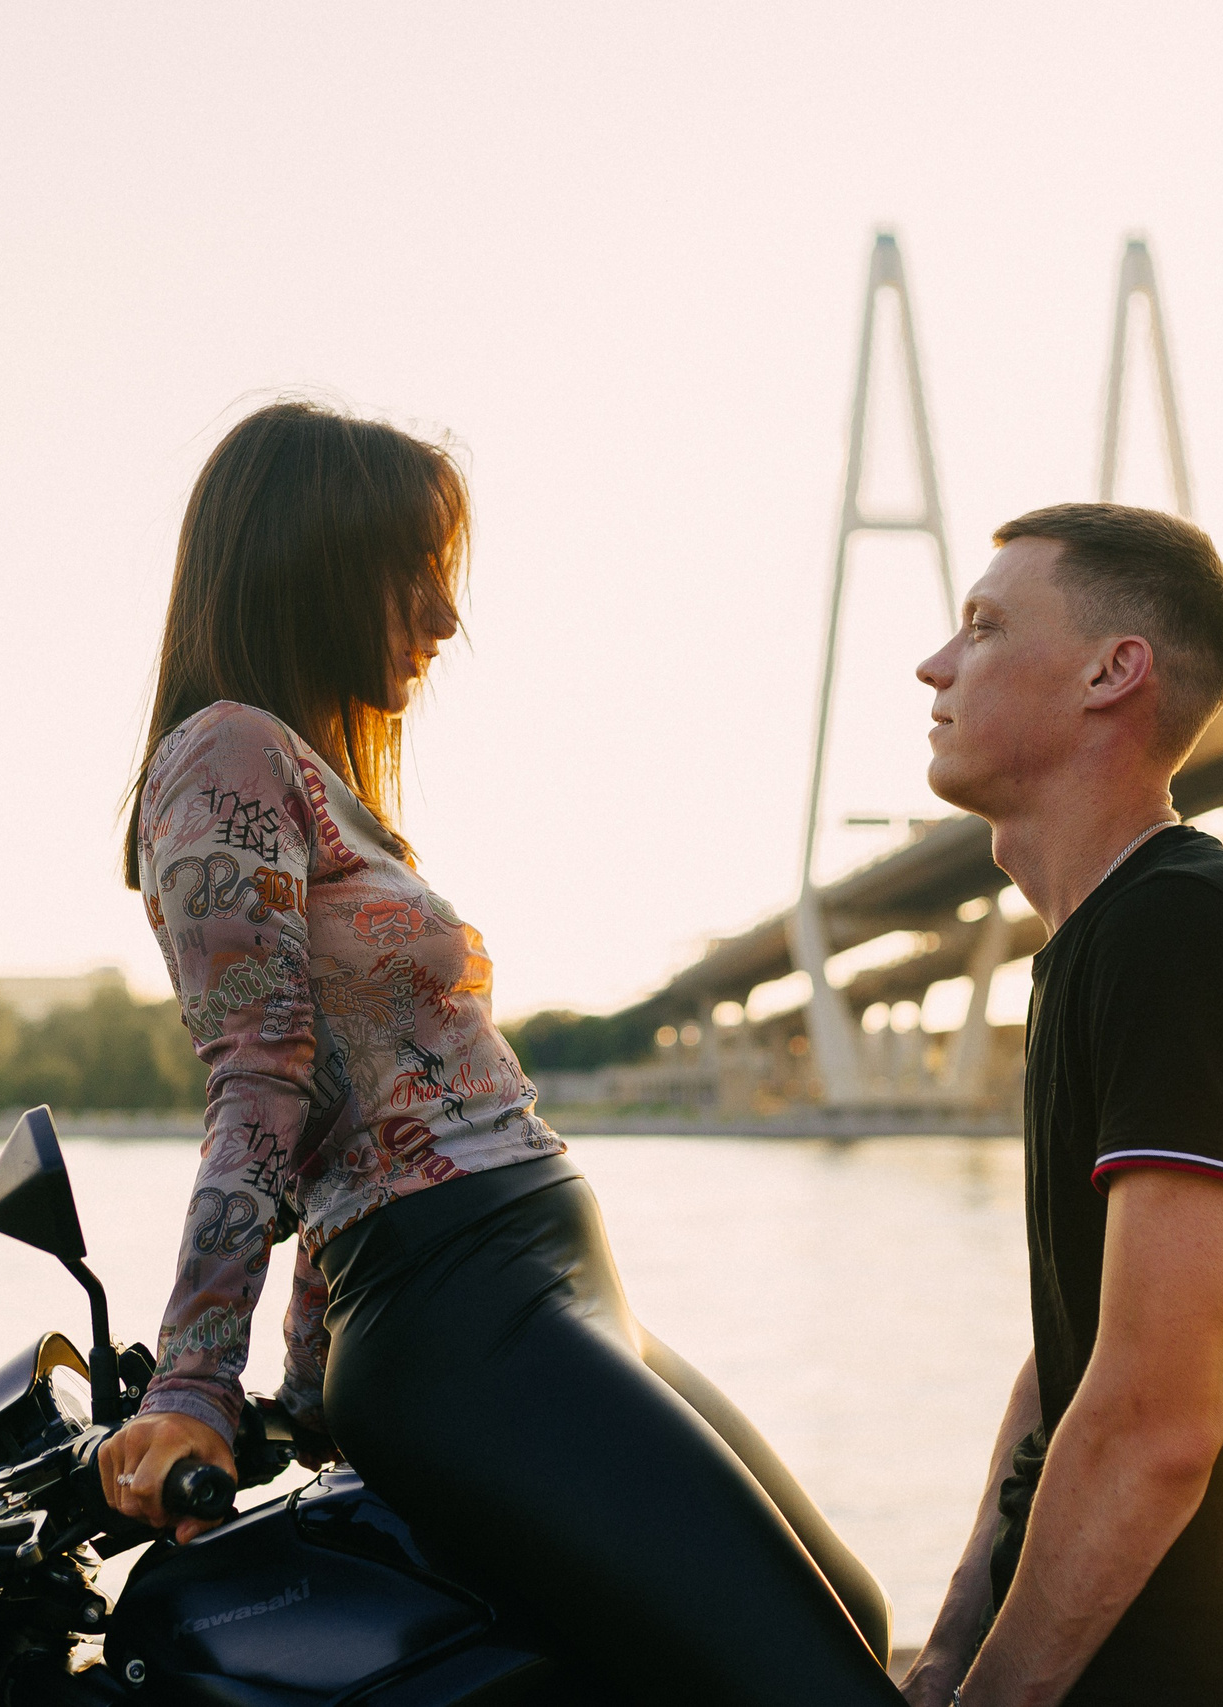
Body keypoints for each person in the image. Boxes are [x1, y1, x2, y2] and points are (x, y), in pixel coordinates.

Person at [94, 398, 904, 1707]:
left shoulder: (304, 771)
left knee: (843, 1616)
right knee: (805, 1683)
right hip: (459, 1292)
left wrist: (303, 1386)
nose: (445, 618)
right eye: (413, 574)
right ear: (309, 559)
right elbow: (262, 1074)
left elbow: (333, 1120)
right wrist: (196, 1378)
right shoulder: (223, 755)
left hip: (536, 1272)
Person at [897, 504, 1223, 1707]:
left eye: (979, 626)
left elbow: (1151, 1422)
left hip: (1212, 1669)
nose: (933, 665)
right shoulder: (1097, 943)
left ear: (1110, 672)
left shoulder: (1185, 930)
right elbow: (1074, 1364)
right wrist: (947, 1654)